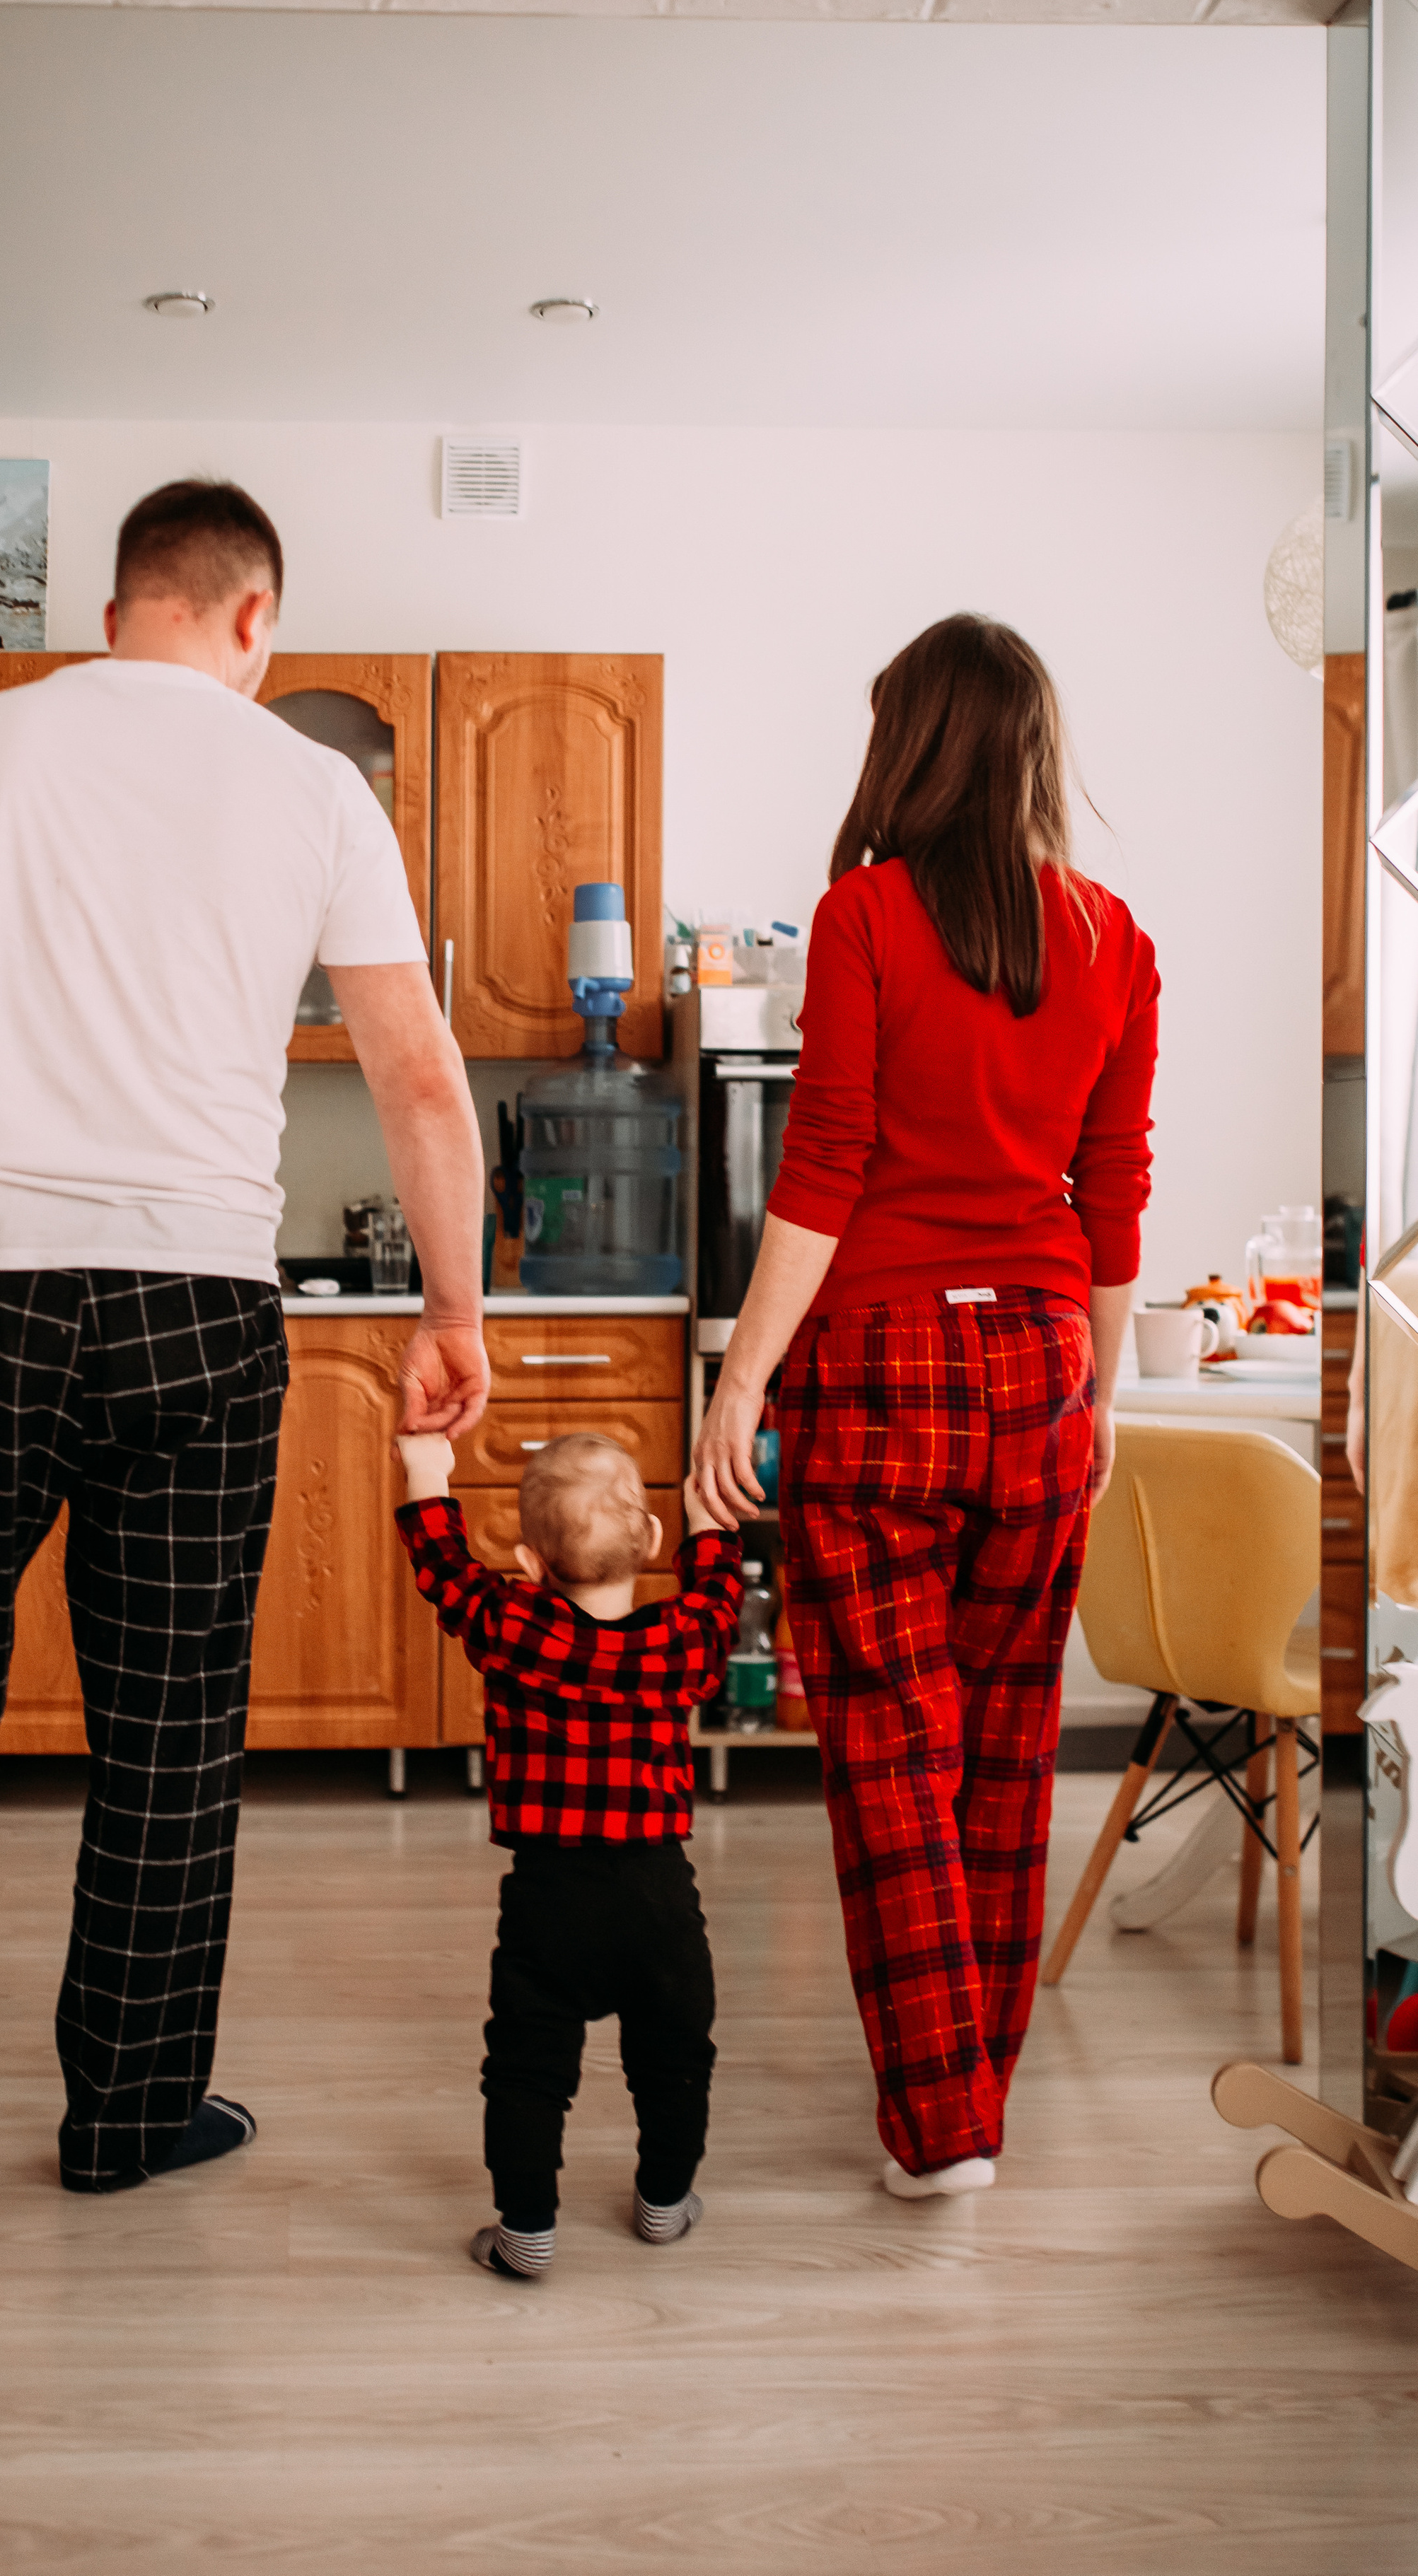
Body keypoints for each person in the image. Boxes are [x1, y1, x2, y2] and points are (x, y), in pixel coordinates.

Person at [0, 478, 490, 2192]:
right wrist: (452, 1306)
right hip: (195, 1307)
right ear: (252, 616)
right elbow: (415, 1071)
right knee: (170, 1735)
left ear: (119, 604)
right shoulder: (314, 784)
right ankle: (122, 2117)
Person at [691, 613, 1158, 2203]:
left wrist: (739, 1376)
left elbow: (819, 1168)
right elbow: (1112, 1194)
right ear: (1029, 749)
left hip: (878, 1366)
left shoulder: (863, 917)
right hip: (1035, 1365)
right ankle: (968, 2102)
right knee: (1007, 1747)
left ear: (913, 746)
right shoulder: (1111, 937)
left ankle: (941, 2123)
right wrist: (1100, 1389)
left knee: (889, 1755)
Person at [394, 1430, 743, 2278]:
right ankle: (663, 2203)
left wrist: (425, 1475)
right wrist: (708, 1527)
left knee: (526, 2070)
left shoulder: (513, 1630)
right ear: (650, 1542)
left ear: (527, 1559)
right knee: (674, 2062)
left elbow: (444, 1570)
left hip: (547, 1899)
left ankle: (527, 2232)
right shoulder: (679, 1647)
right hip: (660, 1899)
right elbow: (720, 1599)